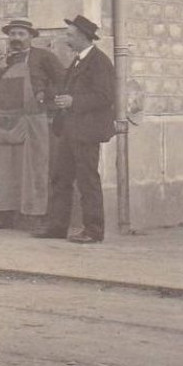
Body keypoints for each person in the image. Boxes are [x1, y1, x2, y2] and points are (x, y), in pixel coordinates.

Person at [36, 14, 117, 244]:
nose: (66, 39)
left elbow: (104, 96)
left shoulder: (100, 62)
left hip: (87, 131)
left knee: (87, 180)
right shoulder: (78, 61)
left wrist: (74, 101)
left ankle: (93, 230)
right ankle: (57, 226)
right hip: (69, 130)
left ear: (83, 37)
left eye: (70, 35)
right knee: (60, 178)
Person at [0, 17, 64, 229]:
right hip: (4, 123)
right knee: (3, 170)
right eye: (12, 34)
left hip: (33, 120)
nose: (16, 38)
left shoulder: (43, 57)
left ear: (31, 37)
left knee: (34, 168)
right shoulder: (2, 60)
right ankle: (3, 216)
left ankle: (36, 216)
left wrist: (43, 95)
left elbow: (63, 82)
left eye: (21, 34)